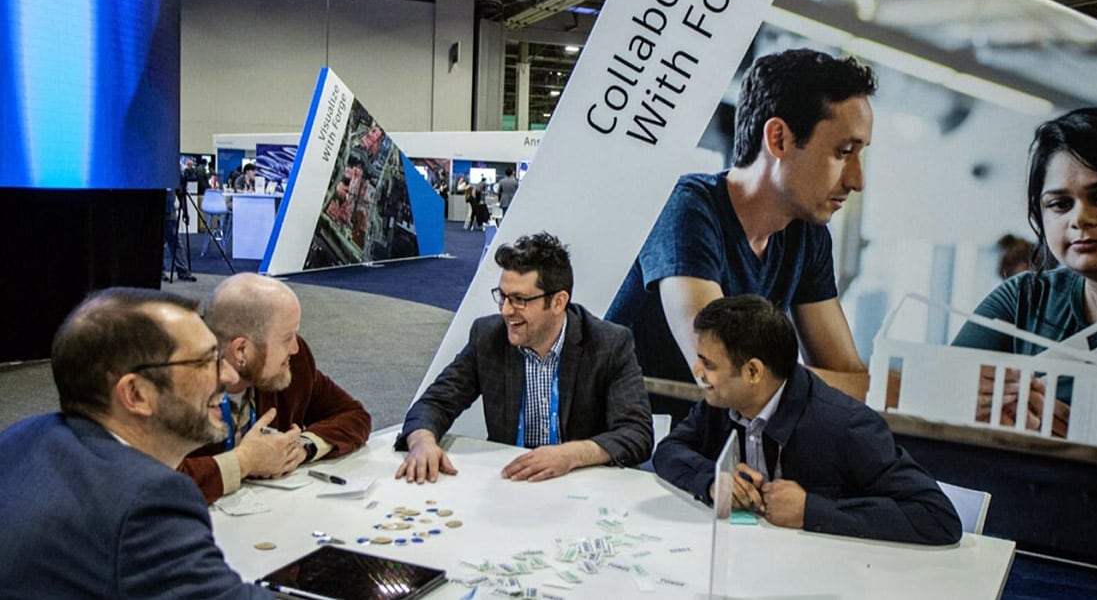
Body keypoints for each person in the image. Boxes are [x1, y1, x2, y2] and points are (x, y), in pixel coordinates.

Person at [607, 48, 876, 422]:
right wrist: (775, 380)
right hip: (629, 450)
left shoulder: (806, 235)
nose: (856, 180)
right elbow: (721, 376)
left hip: (716, 452)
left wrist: (771, 378)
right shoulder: (689, 209)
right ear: (778, 139)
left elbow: (856, 385)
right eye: (843, 152)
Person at [0, 288, 269, 598]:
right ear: (137, 394)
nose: (228, 375)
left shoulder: (22, 436)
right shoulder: (146, 501)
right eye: (206, 362)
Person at [654, 295, 961, 545]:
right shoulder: (722, 401)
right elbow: (669, 450)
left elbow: (936, 516)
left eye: (708, 364)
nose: (698, 371)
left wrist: (811, 510)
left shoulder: (846, 425)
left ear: (752, 372)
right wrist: (713, 479)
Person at [952, 108, 1097, 448]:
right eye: (1060, 204)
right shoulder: (1023, 300)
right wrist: (971, 404)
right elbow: (932, 397)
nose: (1080, 218)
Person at [396, 232, 653, 483]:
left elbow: (636, 433)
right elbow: (435, 403)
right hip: (510, 482)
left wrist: (571, 455)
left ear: (558, 302)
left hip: (580, 484)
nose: (506, 311)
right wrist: (422, 442)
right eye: (503, 296)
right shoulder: (488, 337)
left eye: (519, 300)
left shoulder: (608, 344)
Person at [179, 273, 372, 503]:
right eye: (286, 338)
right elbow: (149, 482)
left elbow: (354, 415)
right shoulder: (172, 380)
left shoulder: (294, 366)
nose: (295, 348)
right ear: (241, 350)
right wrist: (244, 462)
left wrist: (302, 448)